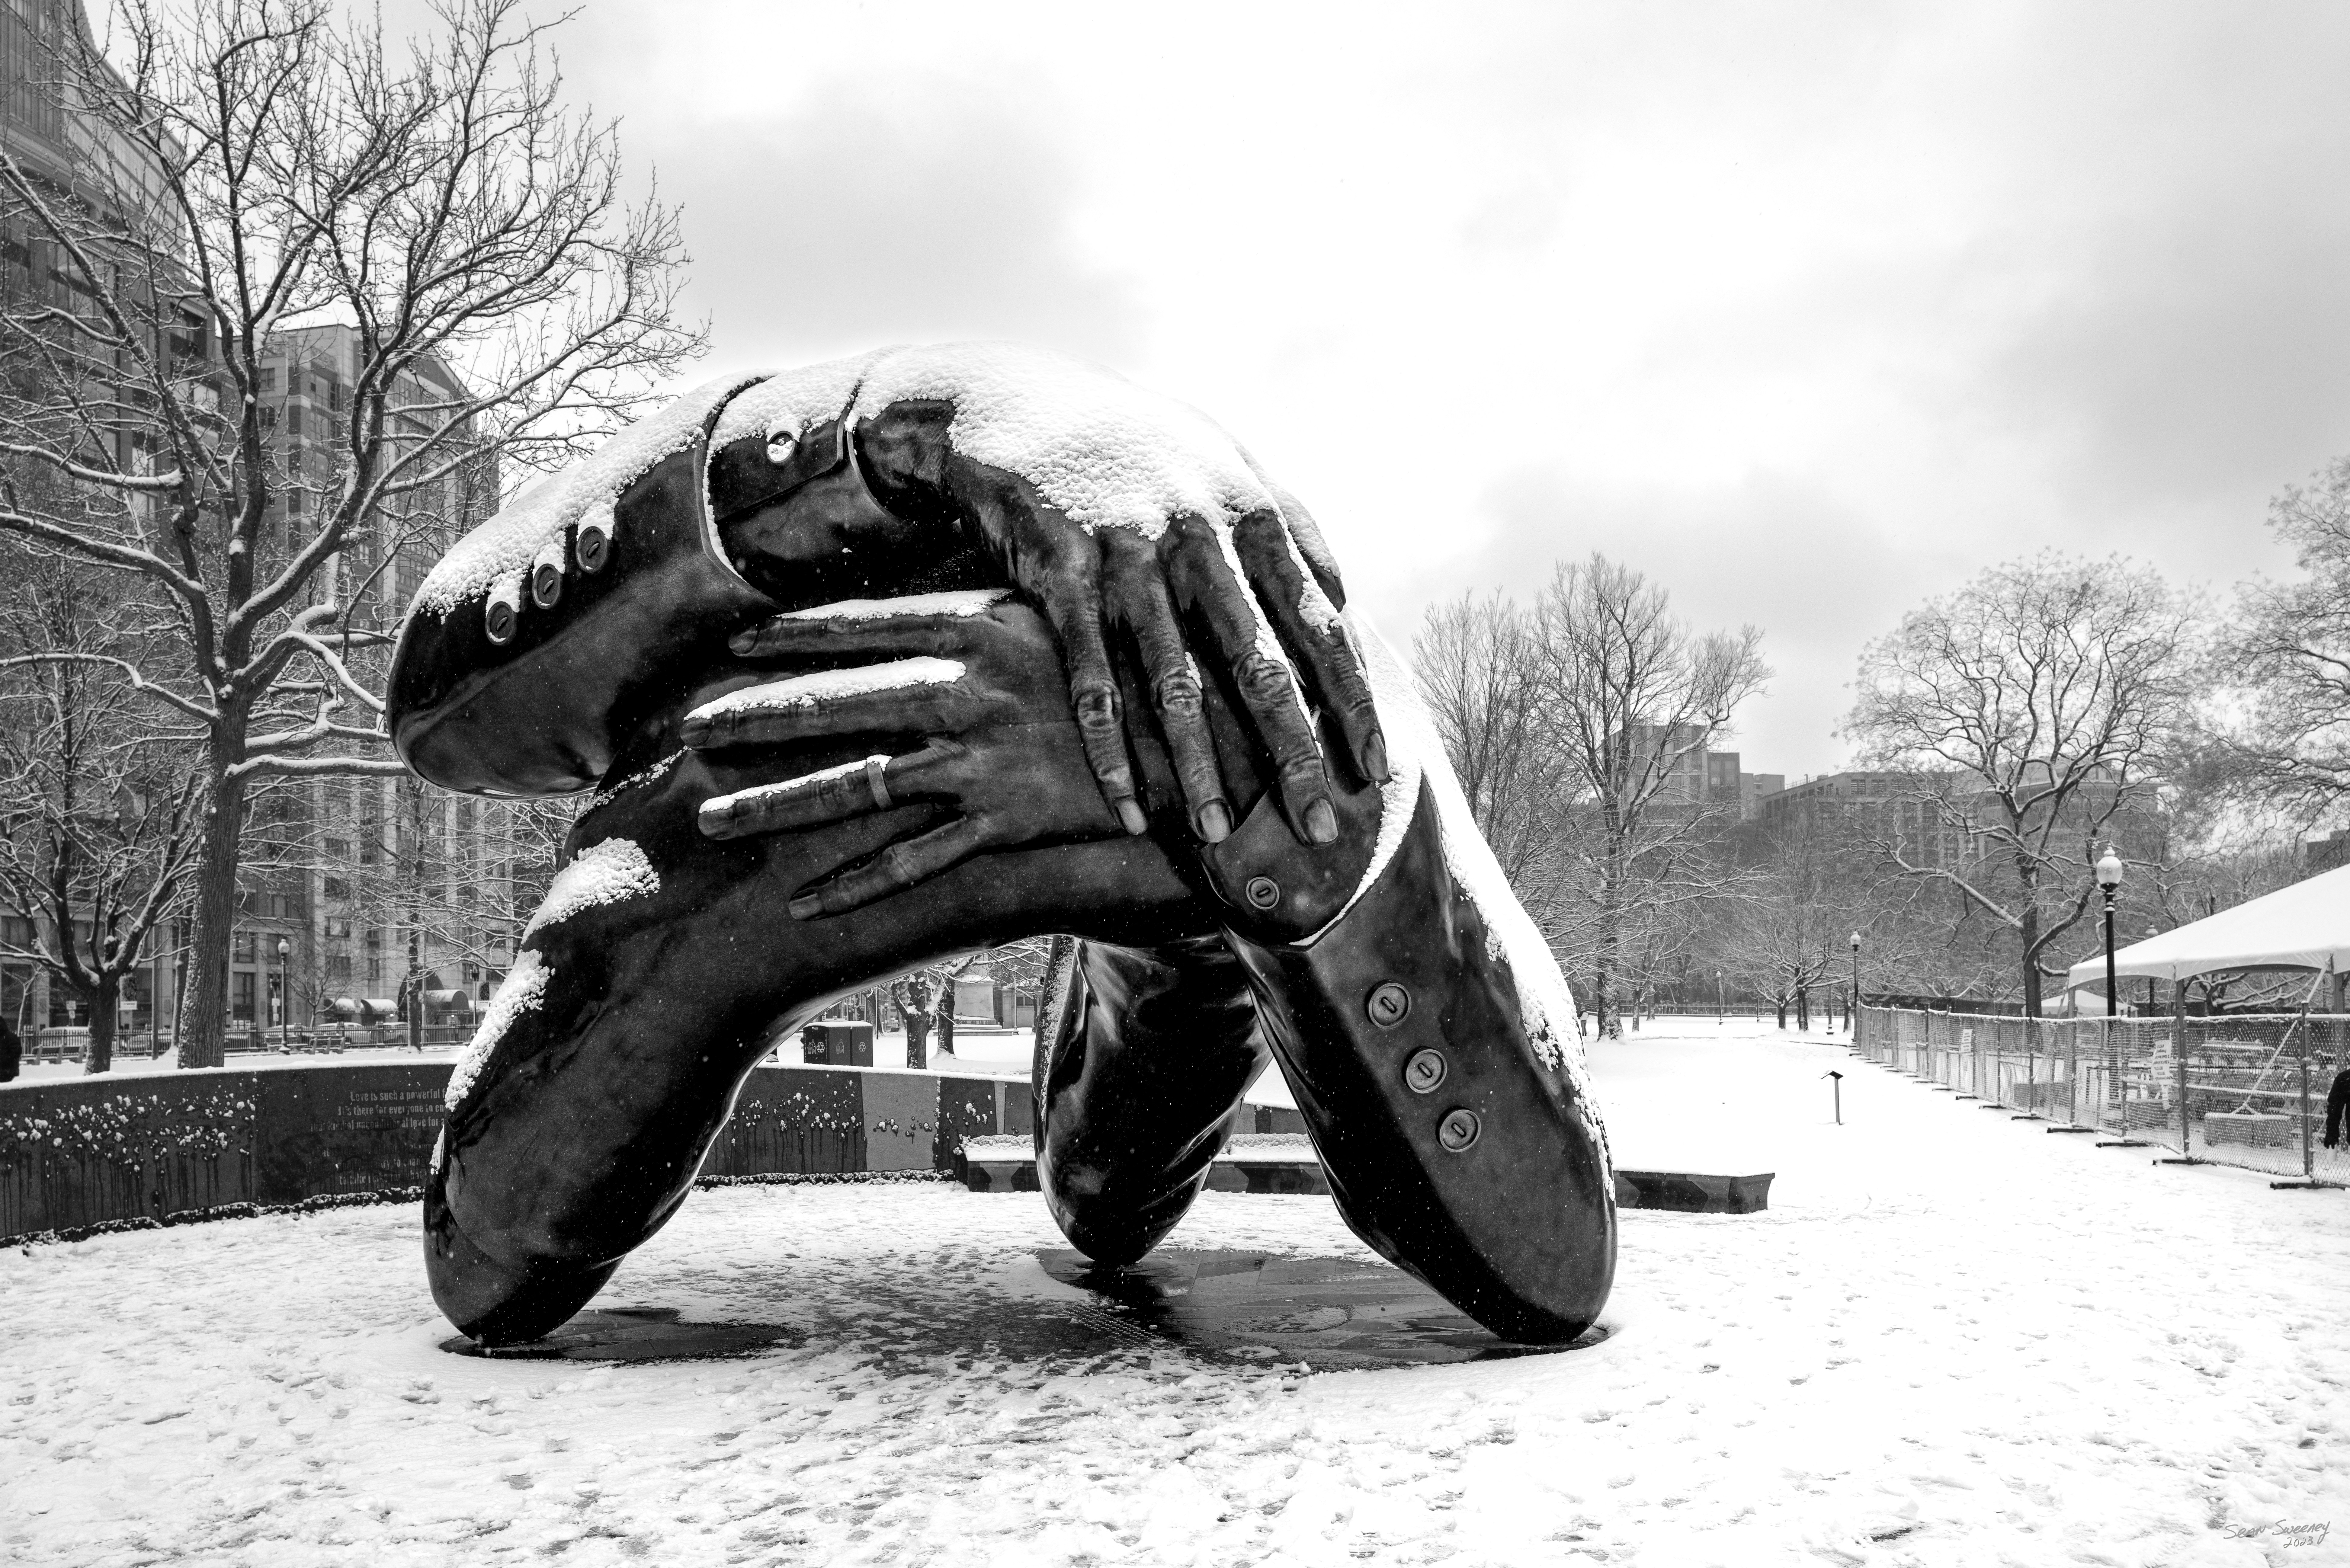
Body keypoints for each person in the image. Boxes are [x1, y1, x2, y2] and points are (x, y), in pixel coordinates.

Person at [391, 344, 1614, 1348]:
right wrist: (867, 431)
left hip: (1162, 841)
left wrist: (1268, 805)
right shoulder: (838, 505)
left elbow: (1555, 1248)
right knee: (1103, 1186)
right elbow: (439, 696)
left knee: (1105, 1187)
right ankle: (1193, 904)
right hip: (809, 785)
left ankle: (1197, 911)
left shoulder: (1296, 641)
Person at [0, 1010, 20, 1083]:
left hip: (6, 1071)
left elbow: (15, 1054)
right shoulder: (10, 1037)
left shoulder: (7, 1038)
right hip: (9, 1071)